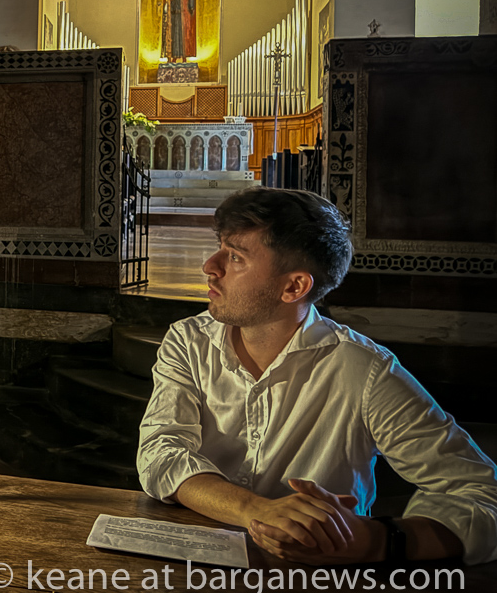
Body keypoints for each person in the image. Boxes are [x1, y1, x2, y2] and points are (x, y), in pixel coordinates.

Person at [137, 187, 497, 565]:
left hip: (315, 578)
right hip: (193, 562)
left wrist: (372, 540)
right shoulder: (189, 340)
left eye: (235, 256)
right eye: (220, 247)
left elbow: (480, 495)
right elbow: (161, 453)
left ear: (294, 286)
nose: (210, 265)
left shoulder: (363, 370)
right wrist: (256, 510)